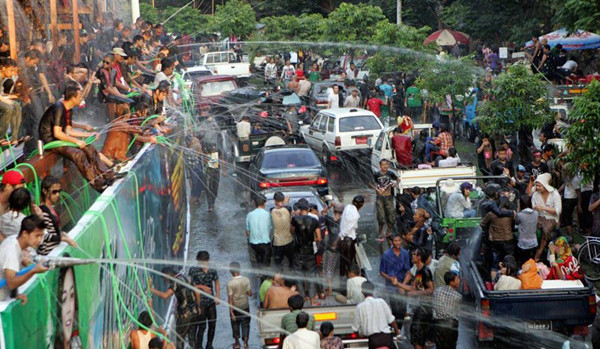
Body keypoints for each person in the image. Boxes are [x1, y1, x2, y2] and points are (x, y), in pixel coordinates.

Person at [38, 82, 118, 191]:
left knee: (89, 148)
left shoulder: (68, 109)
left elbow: (69, 131)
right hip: (51, 141)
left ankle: (108, 175)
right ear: (73, 98)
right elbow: (57, 133)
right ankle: (97, 183)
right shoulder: (59, 108)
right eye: (79, 96)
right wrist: (77, 141)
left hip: (60, 139)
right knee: (78, 154)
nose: (82, 98)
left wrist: (89, 134)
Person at [148, 266, 199, 349]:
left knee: (180, 338)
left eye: (165, 278)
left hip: (183, 314)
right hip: (194, 312)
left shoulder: (175, 282)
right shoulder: (187, 277)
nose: (165, 281)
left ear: (168, 275)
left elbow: (165, 295)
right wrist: (198, 306)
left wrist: (151, 289)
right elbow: (197, 293)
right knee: (192, 337)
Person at [0, 215, 48, 302]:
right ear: (25, 233)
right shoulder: (12, 250)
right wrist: (33, 271)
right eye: (37, 236)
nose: (39, 240)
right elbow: (11, 283)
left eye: (41, 236)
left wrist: (14, 295)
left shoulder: (15, 240)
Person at [291, 200, 321, 306]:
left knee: (298, 275)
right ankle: (312, 300)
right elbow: (319, 237)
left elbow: (292, 232)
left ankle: (302, 298)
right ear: (308, 209)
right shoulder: (313, 220)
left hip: (298, 252)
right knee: (311, 275)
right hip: (309, 251)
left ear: (299, 209)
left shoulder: (295, 219)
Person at [352, 281, 399, 349]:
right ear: (373, 290)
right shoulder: (381, 302)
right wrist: (397, 332)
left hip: (373, 341)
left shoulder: (360, 307)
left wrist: (360, 335)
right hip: (386, 339)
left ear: (362, 292)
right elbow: (392, 320)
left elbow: (355, 329)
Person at [379, 234, 410, 331]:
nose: (398, 243)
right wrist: (390, 278)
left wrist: (402, 285)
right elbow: (382, 272)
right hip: (391, 286)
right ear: (392, 243)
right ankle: (396, 328)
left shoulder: (405, 254)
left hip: (402, 284)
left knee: (402, 307)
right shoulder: (386, 255)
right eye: (395, 241)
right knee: (395, 307)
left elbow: (408, 271)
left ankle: (398, 327)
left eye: (399, 240)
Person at [189, 250, 220, 349]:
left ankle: (209, 344)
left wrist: (218, 296)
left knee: (212, 324)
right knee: (202, 326)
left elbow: (217, 283)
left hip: (211, 302)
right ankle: (199, 346)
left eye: (204, 262)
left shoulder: (212, 270)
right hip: (200, 302)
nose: (202, 264)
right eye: (200, 262)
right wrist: (202, 287)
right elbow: (190, 285)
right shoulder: (193, 270)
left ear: (208, 260)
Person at [481, 196, 515, 275]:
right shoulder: (511, 214)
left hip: (495, 241)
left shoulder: (491, 214)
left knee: (495, 263)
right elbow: (513, 226)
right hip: (508, 240)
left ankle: (493, 282)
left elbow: (482, 224)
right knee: (509, 261)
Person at [531, 173, 562, 261]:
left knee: (546, 230)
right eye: (536, 186)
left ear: (545, 185)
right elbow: (533, 207)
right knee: (532, 228)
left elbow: (558, 210)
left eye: (540, 186)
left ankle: (540, 251)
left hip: (551, 218)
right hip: (539, 216)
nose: (537, 188)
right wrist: (537, 208)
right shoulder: (535, 195)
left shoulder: (555, 194)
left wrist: (544, 208)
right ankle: (532, 249)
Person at [432, 272, 462, 349]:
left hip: (438, 325)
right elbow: (457, 312)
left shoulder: (437, 291)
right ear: (451, 282)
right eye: (457, 279)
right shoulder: (458, 296)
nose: (459, 280)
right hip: (451, 326)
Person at [226, 262, 252, 349]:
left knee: (235, 325)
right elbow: (250, 294)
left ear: (230, 271)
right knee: (246, 324)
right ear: (239, 269)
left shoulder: (230, 283)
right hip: (245, 306)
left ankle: (237, 343)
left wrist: (231, 312)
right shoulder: (246, 280)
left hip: (235, 307)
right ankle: (246, 343)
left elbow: (230, 298)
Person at [372, 159, 397, 242]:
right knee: (381, 218)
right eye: (383, 165)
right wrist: (377, 189)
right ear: (380, 166)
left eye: (386, 164)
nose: (385, 166)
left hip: (389, 197)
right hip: (380, 198)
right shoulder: (377, 174)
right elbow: (371, 183)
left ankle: (388, 231)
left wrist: (394, 183)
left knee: (392, 217)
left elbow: (397, 179)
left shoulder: (390, 173)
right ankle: (380, 233)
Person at [339, 195, 364, 278]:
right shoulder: (355, 215)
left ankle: (342, 280)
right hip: (348, 241)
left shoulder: (348, 207)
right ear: (362, 205)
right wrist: (341, 235)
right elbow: (349, 227)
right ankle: (351, 280)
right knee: (350, 263)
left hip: (343, 240)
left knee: (342, 262)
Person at [246, 195, 272, 271]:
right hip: (265, 243)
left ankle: (260, 273)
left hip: (254, 244)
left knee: (258, 259)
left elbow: (248, 232)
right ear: (264, 203)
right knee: (266, 263)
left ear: (254, 203)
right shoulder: (268, 215)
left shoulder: (249, 215)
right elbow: (272, 229)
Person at [323, 203, 343, 295]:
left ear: (334, 211)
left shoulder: (329, 219)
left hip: (331, 248)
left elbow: (322, 212)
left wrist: (329, 206)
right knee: (334, 268)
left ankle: (330, 290)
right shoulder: (343, 221)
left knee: (329, 269)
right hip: (340, 248)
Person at [271, 192, 294, 268]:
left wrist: (284, 202)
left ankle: (279, 277)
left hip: (278, 243)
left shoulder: (273, 212)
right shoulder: (288, 210)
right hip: (289, 241)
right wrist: (285, 202)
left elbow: (278, 208)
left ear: (275, 201)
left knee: (278, 265)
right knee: (292, 263)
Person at [203, 142, 225, 212]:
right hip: (208, 173)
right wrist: (206, 160)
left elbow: (222, 160)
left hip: (216, 173)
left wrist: (224, 170)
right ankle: (210, 205)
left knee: (215, 189)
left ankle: (213, 202)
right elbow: (203, 160)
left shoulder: (218, 151)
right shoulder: (206, 151)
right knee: (208, 188)